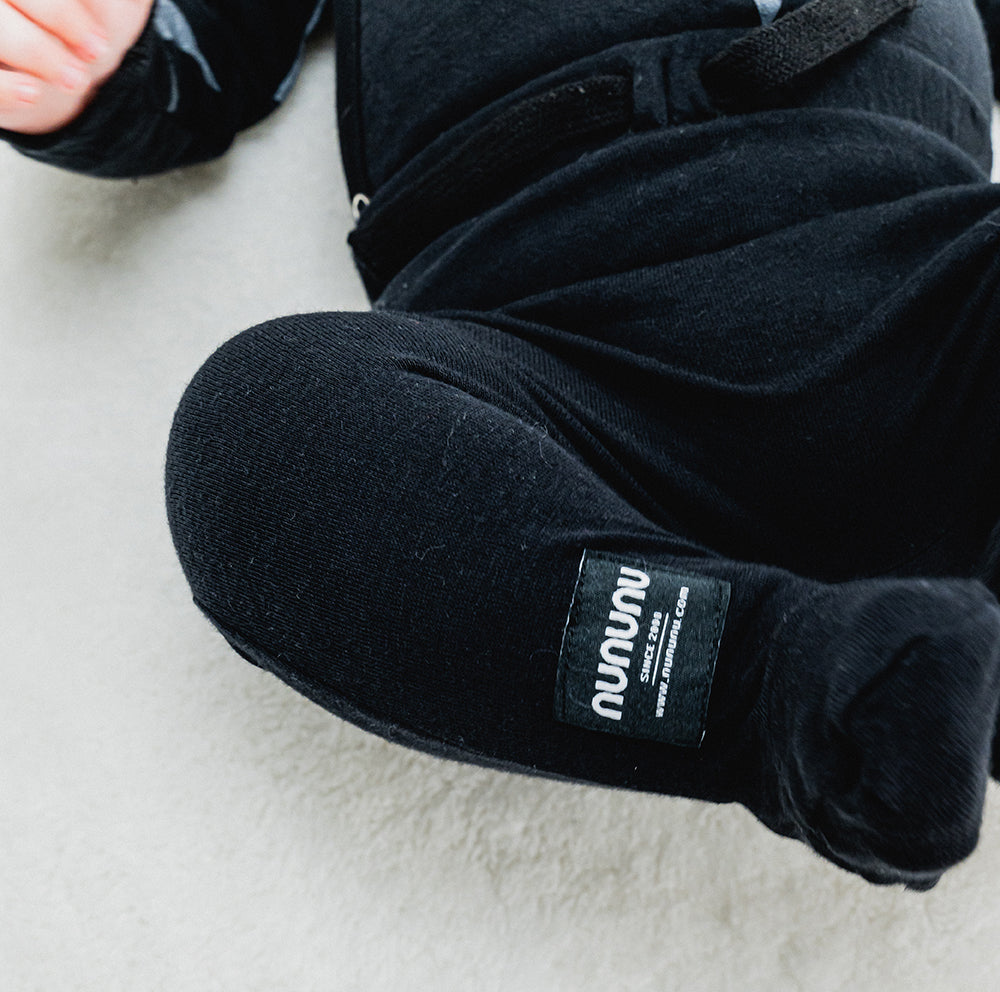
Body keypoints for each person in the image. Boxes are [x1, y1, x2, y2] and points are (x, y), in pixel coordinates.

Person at [5, 0, 1000, 891]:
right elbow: (198, 52)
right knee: (261, 436)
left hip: (926, 288)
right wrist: (104, 64)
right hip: (560, 363)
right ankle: (800, 693)